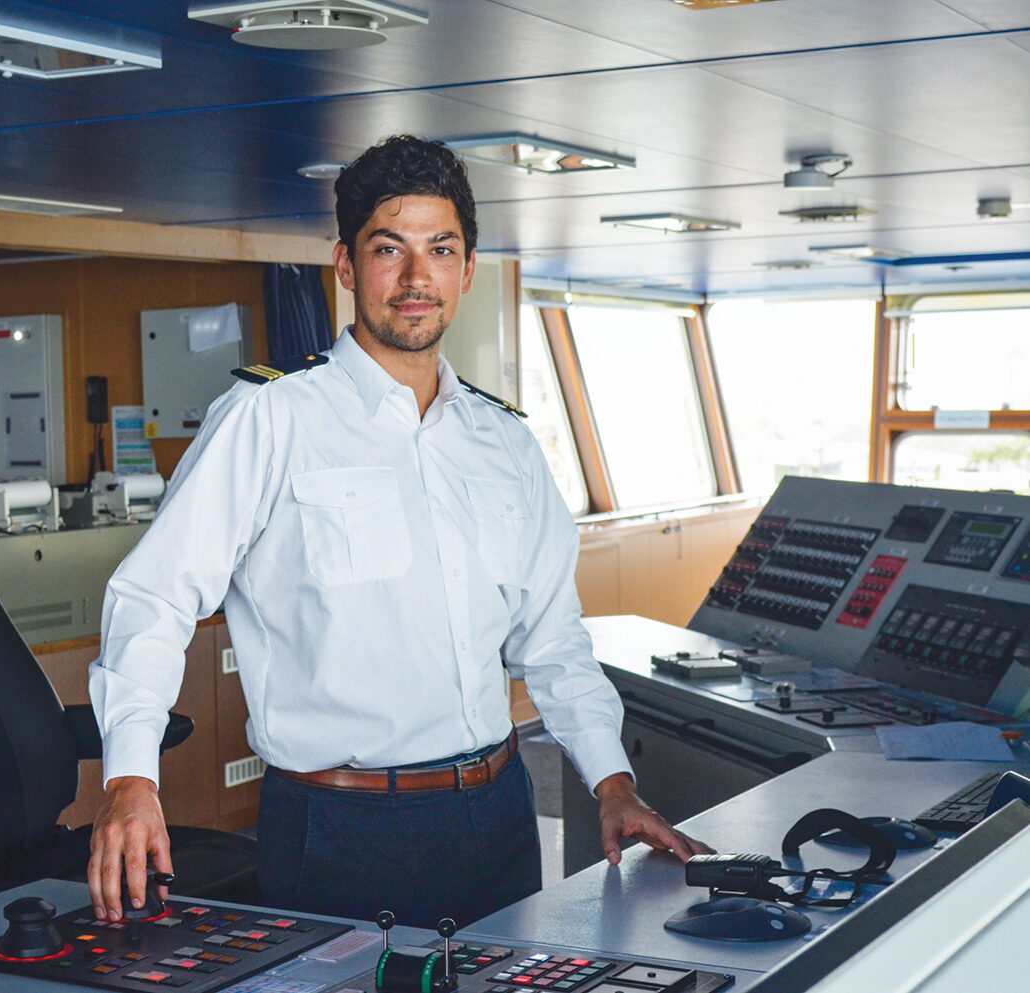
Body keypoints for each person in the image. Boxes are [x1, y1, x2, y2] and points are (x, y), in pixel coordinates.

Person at [87, 134, 709, 929]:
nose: (417, 279)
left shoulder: (507, 442)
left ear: (467, 269)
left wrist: (612, 784)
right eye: (390, 249)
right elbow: (154, 596)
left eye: (440, 249)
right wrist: (130, 779)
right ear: (346, 266)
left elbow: (552, 641)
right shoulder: (270, 419)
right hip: (339, 831)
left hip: (498, 817)